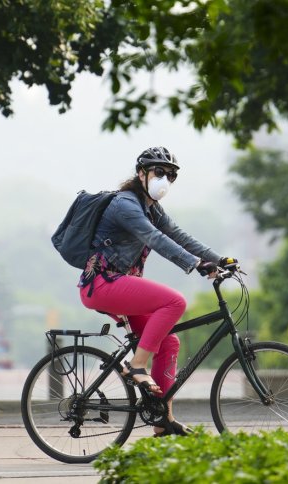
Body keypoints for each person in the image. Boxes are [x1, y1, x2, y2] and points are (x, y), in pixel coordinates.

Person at [78, 146, 234, 437]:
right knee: (175, 301)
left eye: (171, 176)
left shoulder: (151, 207)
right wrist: (195, 264)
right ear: (141, 174)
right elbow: (156, 239)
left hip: (119, 286)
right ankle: (137, 365)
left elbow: (179, 235)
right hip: (102, 283)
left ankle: (164, 420)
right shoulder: (126, 204)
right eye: (159, 172)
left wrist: (219, 259)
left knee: (170, 342)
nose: (165, 179)